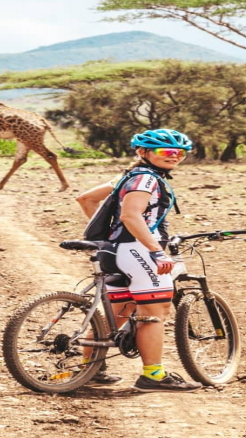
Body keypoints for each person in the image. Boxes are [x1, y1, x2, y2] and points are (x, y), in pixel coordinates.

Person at [74, 128, 202, 392]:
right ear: (143, 152)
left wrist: (112, 237)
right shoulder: (146, 179)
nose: (174, 156)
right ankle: (153, 376)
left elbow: (85, 199)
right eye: (166, 151)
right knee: (153, 315)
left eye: (180, 152)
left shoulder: (128, 176)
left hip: (114, 252)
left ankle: (90, 369)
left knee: (119, 313)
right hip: (139, 252)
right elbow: (131, 216)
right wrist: (155, 250)